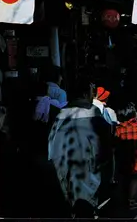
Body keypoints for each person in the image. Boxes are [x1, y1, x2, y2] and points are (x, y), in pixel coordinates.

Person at [48, 76, 113, 218]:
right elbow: (106, 147)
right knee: (85, 206)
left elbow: (51, 143)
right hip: (86, 169)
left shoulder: (60, 114)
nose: (92, 96)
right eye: (91, 92)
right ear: (85, 94)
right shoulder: (94, 113)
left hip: (62, 166)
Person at [115, 102, 137, 210]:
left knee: (124, 179)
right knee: (135, 180)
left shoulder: (118, 128)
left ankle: (124, 199)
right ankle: (131, 200)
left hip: (123, 160)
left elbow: (114, 144)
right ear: (134, 114)